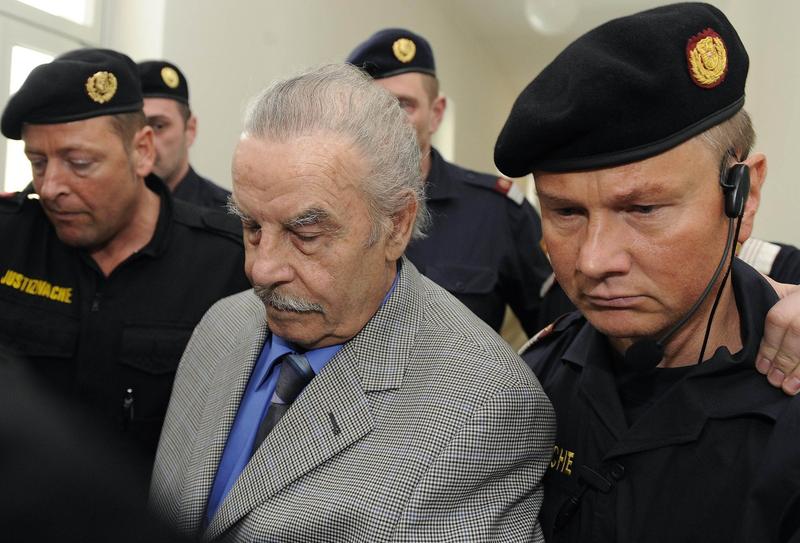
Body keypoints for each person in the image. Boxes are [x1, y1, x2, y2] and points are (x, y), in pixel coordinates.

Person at [149, 63, 555, 542]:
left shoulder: (483, 408)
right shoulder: (222, 324)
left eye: (305, 235)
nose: (260, 269)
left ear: (397, 226)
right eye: (252, 227)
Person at [493, 3, 800, 541]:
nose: (593, 261)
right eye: (566, 212)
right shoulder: (530, 383)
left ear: (743, 199)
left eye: (643, 209)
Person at [0, 48, 251, 458]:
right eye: (38, 162)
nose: (50, 187)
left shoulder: (225, 263)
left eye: (79, 163)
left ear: (142, 151)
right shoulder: (10, 238)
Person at [346, 28, 552, 336]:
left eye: (404, 104)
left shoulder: (497, 214)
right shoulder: (325, 208)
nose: (386, 119)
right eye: (372, 106)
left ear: (436, 113)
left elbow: (555, 333)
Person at [138, 60, 230, 209]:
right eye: (136, 127)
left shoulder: (226, 215)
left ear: (190, 130)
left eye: (159, 126)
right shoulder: (108, 212)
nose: (145, 142)